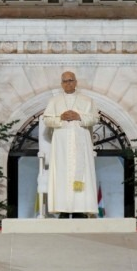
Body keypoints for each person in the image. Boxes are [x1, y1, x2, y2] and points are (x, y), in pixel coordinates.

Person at [42, 71, 98, 218]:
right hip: (61, 144)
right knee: (62, 173)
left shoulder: (87, 100)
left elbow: (95, 118)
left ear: (76, 82)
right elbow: (47, 120)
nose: (68, 83)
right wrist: (60, 117)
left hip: (81, 143)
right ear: (61, 84)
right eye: (65, 81)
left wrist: (79, 116)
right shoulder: (54, 101)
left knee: (82, 174)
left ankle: (81, 208)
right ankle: (63, 209)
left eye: (71, 80)